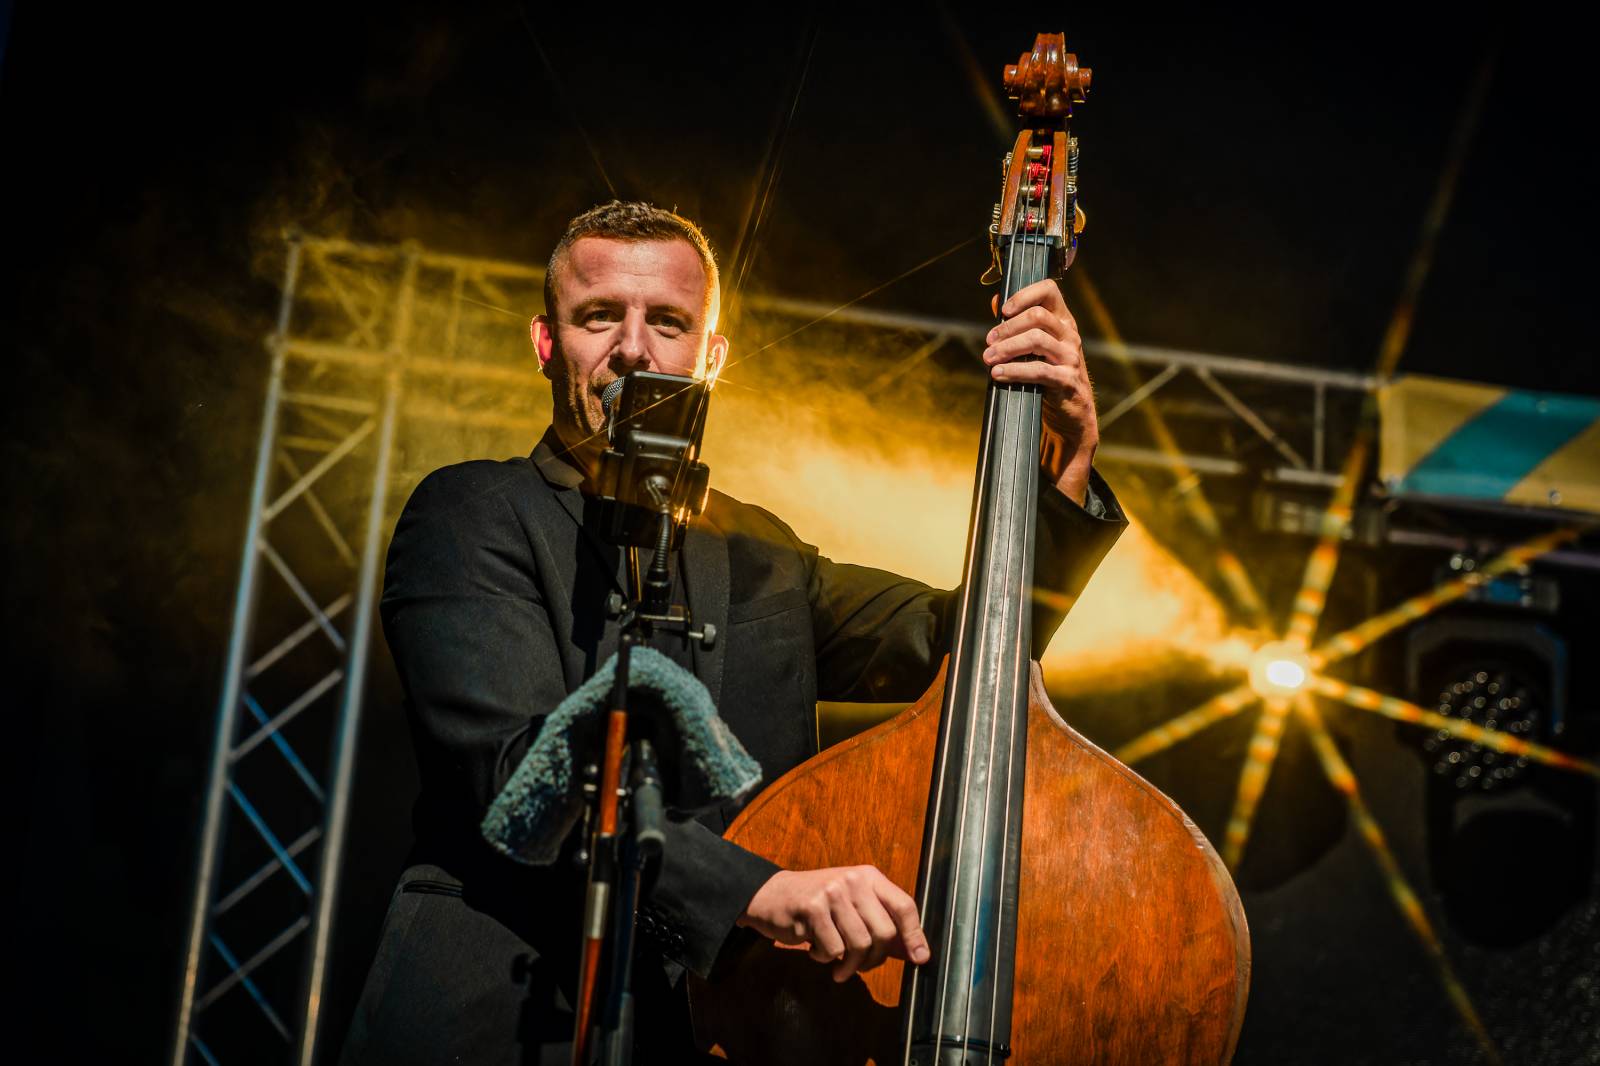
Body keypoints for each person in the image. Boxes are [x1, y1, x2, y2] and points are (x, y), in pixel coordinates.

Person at [339, 201, 1126, 1065]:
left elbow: (964, 642)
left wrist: (1057, 470)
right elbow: (524, 777)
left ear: (710, 358)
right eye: (600, 315)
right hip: (504, 1021)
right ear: (545, 342)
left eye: (669, 323)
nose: (633, 349)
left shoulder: (762, 552)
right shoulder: (472, 512)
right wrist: (762, 891)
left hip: (721, 1034)